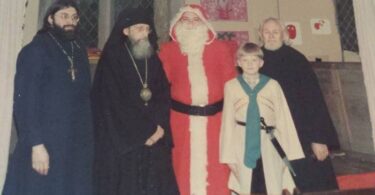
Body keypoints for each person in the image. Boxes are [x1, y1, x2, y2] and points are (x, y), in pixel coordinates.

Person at [3, 1, 93, 195]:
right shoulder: (35, 50)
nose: (70, 22)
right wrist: (36, 145)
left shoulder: (78, 49)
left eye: (74, 17)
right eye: (64, 16)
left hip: (74, 144)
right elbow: (25, 103)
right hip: (45, 143)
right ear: (50, 19)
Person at [91, 7, 179, 195]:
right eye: (139, 28)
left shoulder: (151, 57)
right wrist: (145, 132)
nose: (144, 33)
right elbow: (113, 103)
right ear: (125, 31)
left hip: (154, 137)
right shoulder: (112, 58)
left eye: (147, 29)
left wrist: (159, 127)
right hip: (126, 142)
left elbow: (163, 94)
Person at [159, 4, 237, 195]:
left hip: (216, 122)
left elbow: (232, 85)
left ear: (204, 23)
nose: (191, 24)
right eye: (186, 20)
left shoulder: (220, 49)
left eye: (196, 20)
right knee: (182, 168)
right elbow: (159, 86)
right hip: (180, 123)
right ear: (178, 23)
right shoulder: (168, 51)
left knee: (217, 170)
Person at [259, 17, 340, 192]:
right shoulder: (253, 62)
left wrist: (319, 139)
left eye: (275, 32)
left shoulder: (297, 60)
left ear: (284, 34)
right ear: (261, 35)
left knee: (310, 184)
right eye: (267, 32)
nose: (271, 36)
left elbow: (314, 101)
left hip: (301, 133)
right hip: (266, 135)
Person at [220, 42, 305, 195]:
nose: (250, 64)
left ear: (261, 63)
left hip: (268, 142)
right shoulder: (231, 86)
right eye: (245, 60)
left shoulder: (273, 85)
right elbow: (227, 122)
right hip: (242, 141)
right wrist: (228, 155)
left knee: (271, 184)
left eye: (254, 60)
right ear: (238, 63)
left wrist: (289, 151)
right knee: (248, 185)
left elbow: (283, 118)